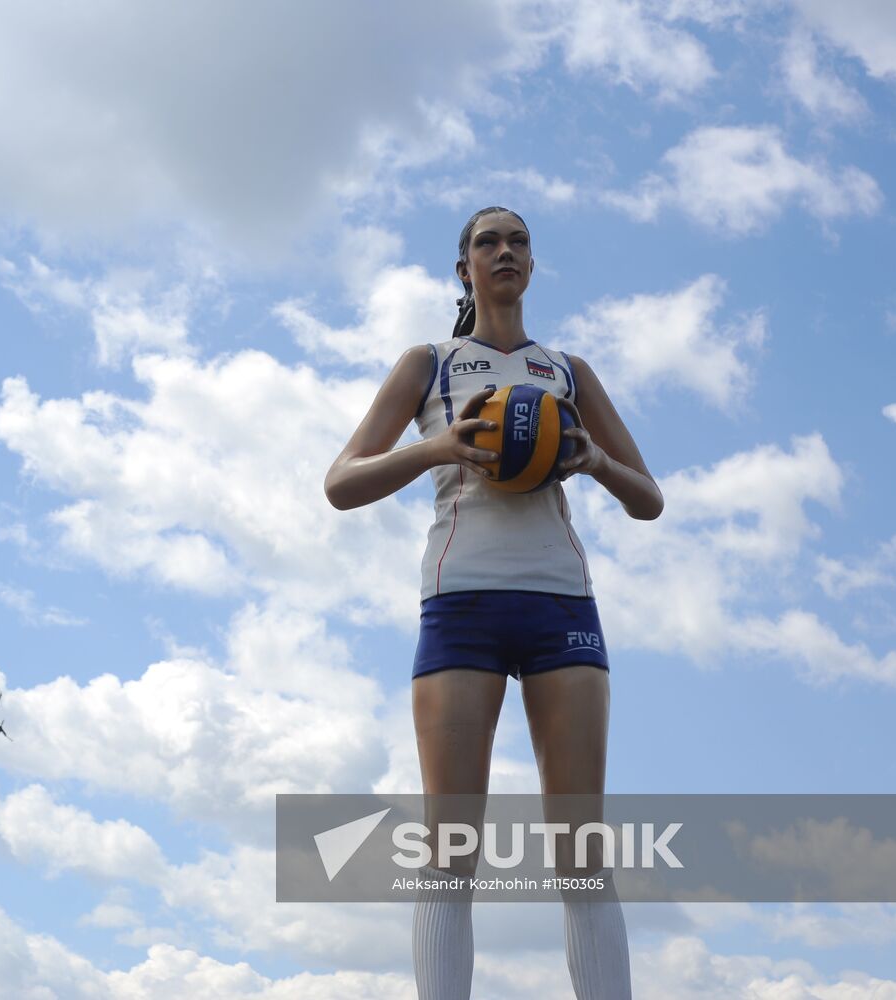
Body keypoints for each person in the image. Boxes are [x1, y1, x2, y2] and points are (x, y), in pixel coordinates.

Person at [324, 207, 663, 999]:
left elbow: (647, 498)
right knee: (451, 847)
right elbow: (341, 483)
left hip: (562, 607)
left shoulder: (567, 370)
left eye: (518, 242)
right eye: (487, 242)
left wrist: (593, 461)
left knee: (581, 850)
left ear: (532, 266)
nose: (504, 251)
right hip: (461, 603)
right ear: (464, 270)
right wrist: (440, 446)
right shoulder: (429, 363)